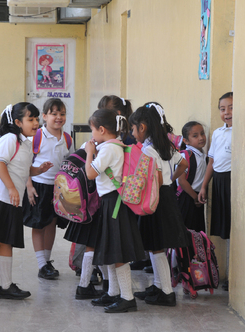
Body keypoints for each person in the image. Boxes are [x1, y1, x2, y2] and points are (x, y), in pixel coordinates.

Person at [0, 103, 53, 300]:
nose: (36, 123)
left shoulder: (24, 142)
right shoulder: (9, 139)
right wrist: (12, 188)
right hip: (2, 199)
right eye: (30, 119)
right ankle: (6, 286)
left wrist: (38, 171)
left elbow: (22, 169)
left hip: (9, 200)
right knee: (5, 242)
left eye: (36, 119)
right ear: (17, 122)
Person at [84, 109, 146, 313]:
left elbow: (91, 173)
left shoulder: (108, 149)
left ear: (101, 129)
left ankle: (127, 297)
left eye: (92, 130)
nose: (92, 135)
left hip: (114, 205)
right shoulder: (116, 145)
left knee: (118, 253)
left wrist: (89, 152)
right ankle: (113, 293)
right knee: (111, 250)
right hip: (112, 203)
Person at [129, 102, 189, 307]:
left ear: (142, 127)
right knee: (156, 245)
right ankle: (158, 285)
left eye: (133, 128)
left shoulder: (148, 149)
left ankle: (166, 291)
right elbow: (184, 163)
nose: (132, 133)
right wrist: (172, 178)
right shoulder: (164, 144)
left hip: (155, 200)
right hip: (166, 196)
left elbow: (151, 178)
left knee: (156, 248)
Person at [23, 98, 74, 280]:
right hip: (38, 186)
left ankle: (46, 261)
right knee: (39, 223)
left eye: (62, 114)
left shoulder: (67, 138)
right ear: (44, 116)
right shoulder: (37, 136)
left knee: (51, 222)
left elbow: (70, 164)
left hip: (57, 189)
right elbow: (25, 164)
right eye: (54, 114)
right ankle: (41, 264)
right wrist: (29, 186)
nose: (58, 117)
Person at [198, 92, 233, 291]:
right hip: (218, 182)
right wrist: (204, 186)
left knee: (232, 230)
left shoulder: (240, 131)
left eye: (231, 108)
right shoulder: (219, 133)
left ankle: (231, 277)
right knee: (224, 231)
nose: (226, 112)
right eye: (222, 109)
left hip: (230, 181)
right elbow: (211, 161)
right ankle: (226, 274)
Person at [175, 121, 208, 232]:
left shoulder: (204, 155)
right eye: (195, 136)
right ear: (186, 141)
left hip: (197, 198)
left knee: (197, 232)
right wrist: (195, 197)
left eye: (202, 133)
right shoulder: (185, 156)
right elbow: (181, 180)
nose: (201, 138)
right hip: (187, 197)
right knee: (186, 232)